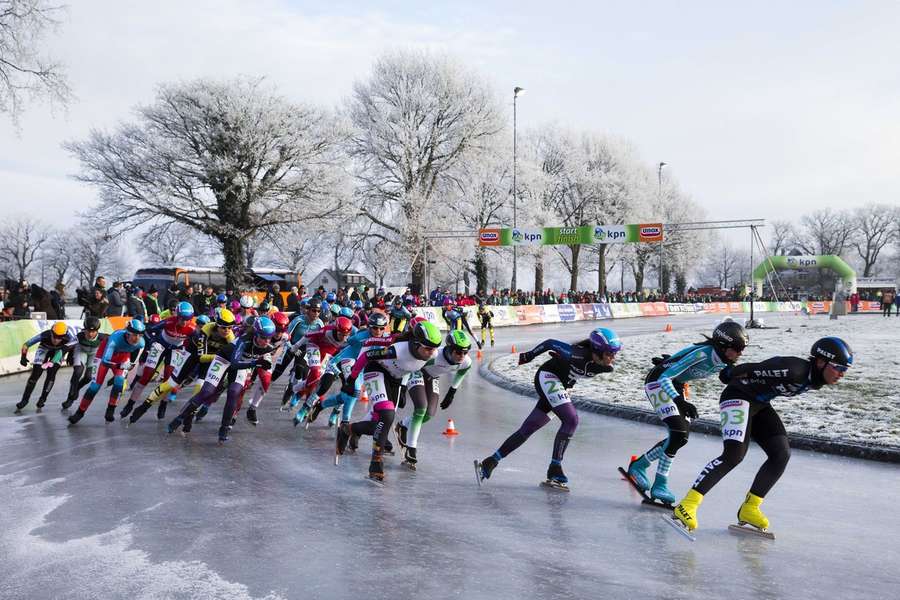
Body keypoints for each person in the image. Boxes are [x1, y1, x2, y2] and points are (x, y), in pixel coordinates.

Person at [672, 337, 853, 535]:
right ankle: (687, 504)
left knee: (781, 454)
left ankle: (750, 508)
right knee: (734, 455)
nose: (841, 374)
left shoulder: (815, 377)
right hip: (737, 396)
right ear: (820, 361)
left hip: (759, 403)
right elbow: (757, 367)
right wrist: (729, 373)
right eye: (839, 368)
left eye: (845, 370)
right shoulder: (795, 370)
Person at [476, 327, 622, 489]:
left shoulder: (607, 367)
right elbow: (550, 343)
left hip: (561, 386)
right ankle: (555, 468)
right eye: (609, 353)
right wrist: (528, 356)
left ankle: (491, 461)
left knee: (529, 428)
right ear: (597, 350)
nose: (612, 358)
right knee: (571, 420)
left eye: (614, 353)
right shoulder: (576, 353)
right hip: (548, 377)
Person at [625, 322, 748, 505]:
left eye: (743, 349)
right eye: (737, 348)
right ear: (723, 345)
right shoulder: (703, 353)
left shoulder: (722, 358)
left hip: (677, 385)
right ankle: (660, 484)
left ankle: (640, 465)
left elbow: (684, 358)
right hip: (658, 382)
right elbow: (664, 377)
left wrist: (672, 360)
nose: (740, 353)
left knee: (680, 438)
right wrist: (679, 400)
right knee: (678, 432)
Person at [337, 321, 443, 484]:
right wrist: (351, 379)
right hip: (376, 370)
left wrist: (402, 387)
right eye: (428, 348)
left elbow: (412, 368)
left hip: (395, 379)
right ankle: (376, 463)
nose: (431, 353)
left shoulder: (432, 354)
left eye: (434, 348)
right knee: (387, 415)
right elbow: (366, 356)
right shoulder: (397, 349)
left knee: (381, 423)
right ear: (416, 344)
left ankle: (349, 429)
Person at [167, 316, 278, 443]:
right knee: (207, 391)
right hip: (225, 359)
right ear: (255, 334)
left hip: (243, 363)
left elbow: (267, 361)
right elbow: (235, 363)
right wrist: (256, 363)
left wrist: (264, 363)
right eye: (263, 337)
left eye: (269, 338)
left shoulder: (269, 346)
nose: (266, 341)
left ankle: (224, 429)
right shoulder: (244, 340)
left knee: (234, 393)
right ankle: (179, 418)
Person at [395, 329, 474, 469]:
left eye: (465, 352)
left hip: (432, 377)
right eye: (458, 352)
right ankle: (411, 449)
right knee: (421, 408)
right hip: (416, 371)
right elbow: (410, 366)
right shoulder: (435, 356)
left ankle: (403, 425)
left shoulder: (466, 362)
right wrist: (402, 387)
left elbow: (462, 373)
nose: (462, 356)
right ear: (449, 349)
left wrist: (452, 391)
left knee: (429, 414)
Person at [68, 319, 146, 425]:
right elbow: (105, 361)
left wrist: (129, 365)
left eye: (139, 335)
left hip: (123, 356)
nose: (137, 339)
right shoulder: (115, 338)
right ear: (127, 333)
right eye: (134, 335)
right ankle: (79, 412)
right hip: (104, 355)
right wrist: (120, 365)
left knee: (119, 382)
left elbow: (133, 364)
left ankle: (111, 409)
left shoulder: (141, 343)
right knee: (94, 386)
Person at [15, 322, 78, 413]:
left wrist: (70, 355)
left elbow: (74, 345)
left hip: (58, 352)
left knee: (52, 373)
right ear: (51, 333)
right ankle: (25, 400)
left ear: (64, 336)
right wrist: (23, 357)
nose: (56, 339)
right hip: (44, 348)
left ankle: (43, 398)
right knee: (35, 374)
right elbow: (26, 344)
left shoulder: (69, 338)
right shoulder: (45, 335)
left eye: (60, 337)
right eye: (55, 336)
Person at [62, 316, 107, 410]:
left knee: (88, 377)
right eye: (88, 331)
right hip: (81, 351)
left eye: (93, 331)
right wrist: (58, 359)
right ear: (84, 330)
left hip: (94, 354)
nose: (91, 334)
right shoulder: (79, 336)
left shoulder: (103, 337)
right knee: (78, 372)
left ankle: (77, 388)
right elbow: (66, 347)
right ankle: (70, 397)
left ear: (98, 331)